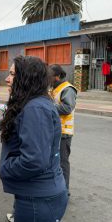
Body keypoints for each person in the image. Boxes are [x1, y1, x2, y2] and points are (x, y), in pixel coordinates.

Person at [0, 56, 68, 222]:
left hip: (38, 200)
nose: (7, 79)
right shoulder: (33, 103)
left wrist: (5, 168)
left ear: (26, 78)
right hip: (37, 196)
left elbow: (34, 161)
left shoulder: (35, 108)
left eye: (13, 74)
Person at [49, 64, 77, 193]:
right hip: (54, 131)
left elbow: (67, 108)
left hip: (64, 132)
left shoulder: (68, 89)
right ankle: (56, 187)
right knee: (54, 161)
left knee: (62, 162)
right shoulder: (54, 88)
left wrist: (48, 105)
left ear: (58, 76)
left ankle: (64, 190)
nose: (48, 78)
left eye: (51, 76)